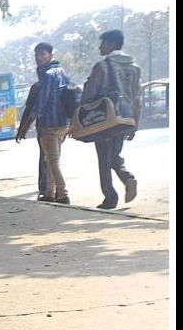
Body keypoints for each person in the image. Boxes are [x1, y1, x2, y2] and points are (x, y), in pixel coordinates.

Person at [82, 29, 141, 209]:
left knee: (104, 159)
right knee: (114, 155)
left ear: (112, 44)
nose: (100, 47)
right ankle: (127, 178)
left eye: (103, 43)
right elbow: (137, 98)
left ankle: (110, 197)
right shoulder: (135, 68)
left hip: (104, 120)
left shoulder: (102, 66)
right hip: (125, 118)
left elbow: (89, 94)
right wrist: (134, 124)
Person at [23, 42, 72, 204]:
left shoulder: (48, 75)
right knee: (51, 159)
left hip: (49, 123)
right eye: (37, 55)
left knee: (52, 160)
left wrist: (27, 124)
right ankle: (50, 193)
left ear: (51, 55)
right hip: (63, 123)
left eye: (42, 54)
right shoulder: (62, 72)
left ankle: (62, 193)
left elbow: (40, 103)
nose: (39, 58)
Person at [16, 80, 49, 200]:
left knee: (46, 158)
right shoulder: (62, 80)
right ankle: (54, 189)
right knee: (54, 158)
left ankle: (47, 189)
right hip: (61, 126)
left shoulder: (39, 86)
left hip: (45, 126)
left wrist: (23, 128)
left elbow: (31, 110)